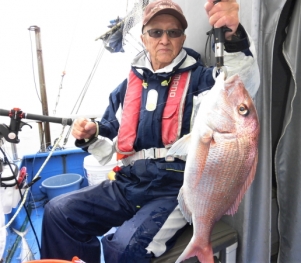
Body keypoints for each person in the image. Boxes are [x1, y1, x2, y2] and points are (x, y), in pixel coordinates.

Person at [40, 0, 260, 262]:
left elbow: (239, 83)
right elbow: (110, 137)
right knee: (58, 212)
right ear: (144, 38)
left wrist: (233, 34)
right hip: (128, 183)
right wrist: (90, 134)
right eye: (156, 32)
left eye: (173, 32)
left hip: (175, 189)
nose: (164, 39)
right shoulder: (125, 88)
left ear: (183, 38)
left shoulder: (203, 79)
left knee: (122, 248)